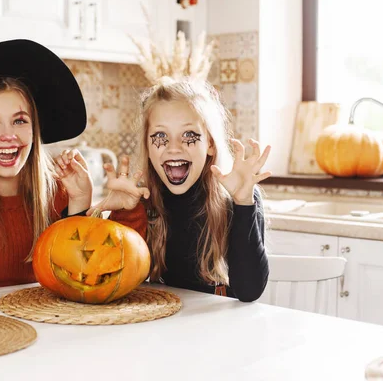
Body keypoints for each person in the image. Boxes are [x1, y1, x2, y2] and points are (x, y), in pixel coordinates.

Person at [0, 39, 146, 302]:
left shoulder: (59, 194)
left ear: (35, 130)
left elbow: (99, 276)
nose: (8, 136)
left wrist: (85, 204)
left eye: (19, 120)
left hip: (48, 330)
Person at [90, 77, 271, 301]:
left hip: (221, 328)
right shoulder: (143, 201)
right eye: (160, 136)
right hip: (160, 324)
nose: (173, 148)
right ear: (147, 146)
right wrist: (124, 214)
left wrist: (244, 203)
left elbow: (250, 290)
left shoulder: (238, 198)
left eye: (189, 135)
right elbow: (104, 279)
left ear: (210, 144)